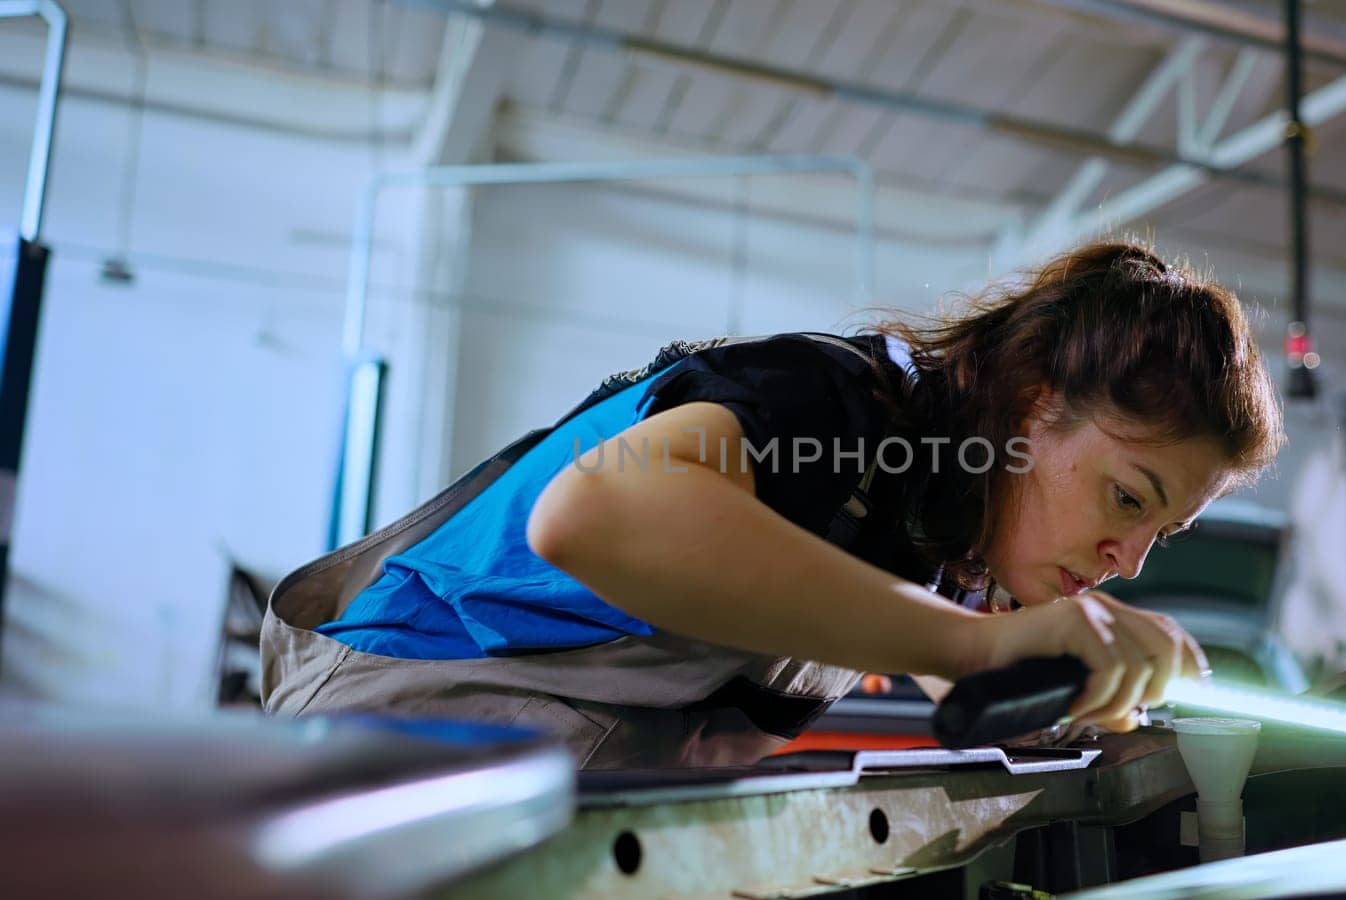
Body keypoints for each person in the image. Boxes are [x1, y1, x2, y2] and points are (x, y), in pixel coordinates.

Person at [260, 240, 1285, 769]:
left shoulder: (927, 530)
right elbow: (590, 517)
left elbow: (944, 667)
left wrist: (1073, 701)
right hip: (382, 755)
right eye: (1125, 495)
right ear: (1031, 403)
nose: (1131, 557)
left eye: (1161, 532)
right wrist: (977, 653)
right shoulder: (828, 405)